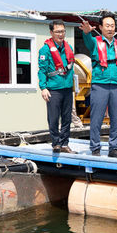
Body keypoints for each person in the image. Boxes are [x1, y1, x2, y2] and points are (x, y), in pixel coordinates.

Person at [80, 14, 117, 158]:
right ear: (100, 27)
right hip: (100, 84)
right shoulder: (95, 42)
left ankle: (114, 148)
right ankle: (95, 147)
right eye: (107, 25)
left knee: (116, 117)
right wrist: (86, 32)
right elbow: (87, 41)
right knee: (97, 117)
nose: (110, 28)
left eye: (112, 26)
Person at [38, 20, 76, 154]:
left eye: (63, 31)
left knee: (67, 118)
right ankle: (56, 143)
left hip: (67, 88)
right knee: (53, 118)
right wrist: (43, 87)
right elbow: (42, 70)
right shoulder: (45, 50)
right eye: (58, 31)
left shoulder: (68, 47)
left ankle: (65, 143)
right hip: (53, 89)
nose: (61, 34)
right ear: (51, 33)